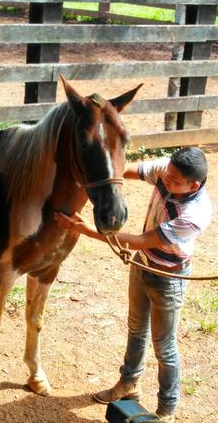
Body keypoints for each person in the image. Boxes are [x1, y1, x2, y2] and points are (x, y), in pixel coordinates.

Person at [54, 146, 212, 423]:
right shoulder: (168, 172)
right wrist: (100, 178)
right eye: (167, 174)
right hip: (143, 266)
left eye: (174, 181)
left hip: (168, 280)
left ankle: (166, 411)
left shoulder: (194, 214)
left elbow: (143, 241)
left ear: (193, 185)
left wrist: (86, 230)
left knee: (164, 347)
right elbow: (130, 171)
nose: (165, 180)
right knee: (136, 329)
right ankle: (128, 383)